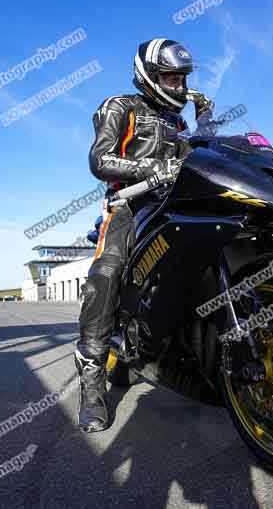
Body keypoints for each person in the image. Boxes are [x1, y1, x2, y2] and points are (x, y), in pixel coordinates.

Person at [75, 38, 213, 433]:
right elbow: (99, 160)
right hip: (129, 205)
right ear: (150, 77)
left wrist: (206, 124)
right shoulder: (121, 106)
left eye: (183, 79)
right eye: (171, 78)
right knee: (107, 273)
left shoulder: (180, 122)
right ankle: (91, 382)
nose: (180, 88)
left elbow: (202, 154)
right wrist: (149, 167)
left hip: (172, 204)